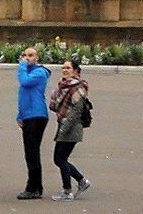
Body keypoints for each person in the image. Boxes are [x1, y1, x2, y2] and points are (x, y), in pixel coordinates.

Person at [48, 56, 93, 201]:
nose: (65, 70)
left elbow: (77, 111)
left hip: (71, 127)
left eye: (68, 68)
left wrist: (65, 127)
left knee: (60, 158)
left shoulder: (77, 87)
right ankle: (81, 181)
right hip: (64, 125)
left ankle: (68, 191)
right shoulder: (63, 85)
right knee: (60, 158)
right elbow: (55, 106)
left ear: (75, 71)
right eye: (63, 68)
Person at [14, 46, 51, 200]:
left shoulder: (39, 72)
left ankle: (32, 187)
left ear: (37, 58)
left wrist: (22, 65)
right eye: (25, 55)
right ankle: (37, 186)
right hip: (28, 115)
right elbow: (24, 96)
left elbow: (25, 82)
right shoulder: (28, 71)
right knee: (31, 152)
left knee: (32, 152)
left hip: (37, 115)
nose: (27, 58)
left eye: (31, 55)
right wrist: (20, 115)